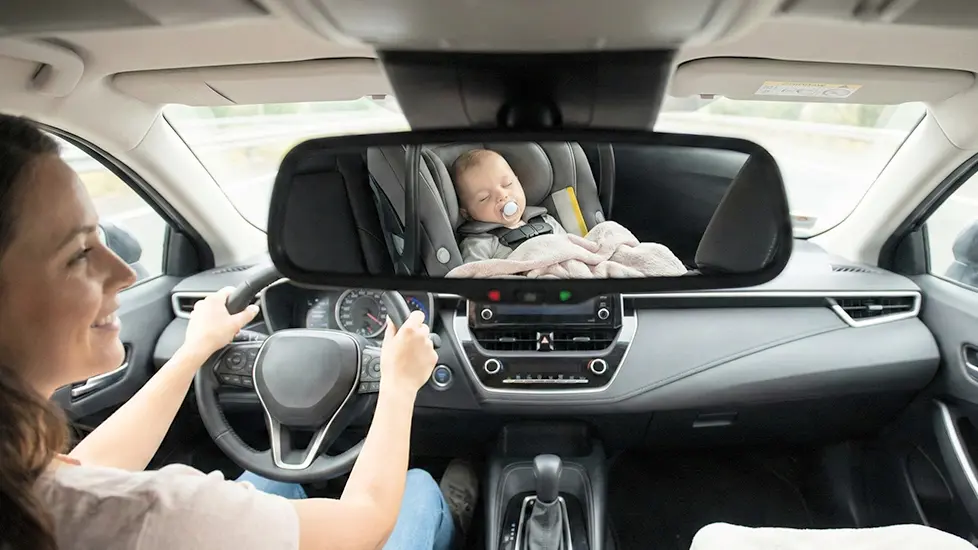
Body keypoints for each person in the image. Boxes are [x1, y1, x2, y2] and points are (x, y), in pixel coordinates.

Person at [0, 113, 477, 550]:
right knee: (415, 489)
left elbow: (89, 472)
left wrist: (193, 353)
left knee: (274, 483)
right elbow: (366, 523)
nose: (126, 272)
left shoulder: (39, 489)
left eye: (101, 238)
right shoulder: (155, 513)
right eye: (79, 252)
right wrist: (398, 385)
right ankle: (456, 517)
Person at [453, 149, 566, 263]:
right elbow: (473, 273)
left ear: (518, 181)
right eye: (484, 198)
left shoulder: (547, 221)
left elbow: (572, 248)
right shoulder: (478, 243)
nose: (502, 195)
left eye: (508, 184)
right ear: (467, 214)